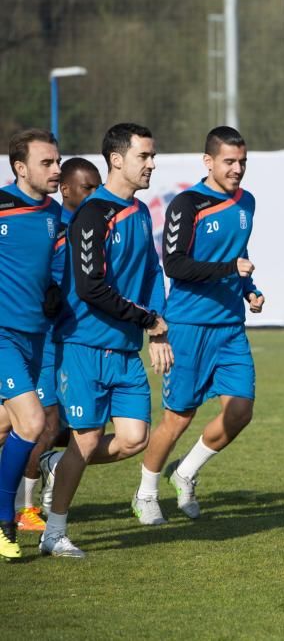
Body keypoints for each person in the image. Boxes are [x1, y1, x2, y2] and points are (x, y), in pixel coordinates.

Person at [38, 123, 173, 558]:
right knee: (87, 440)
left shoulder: (140, 211)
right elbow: (92, 287)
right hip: (82, 348)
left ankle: (57, 464)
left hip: (125, 349)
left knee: (135, 438)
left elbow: (152, 271)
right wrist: (146, 319)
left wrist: (158, 327)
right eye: (144, 156)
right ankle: (54, 533)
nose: (152, 164)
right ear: (117, 159)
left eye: (153, 156)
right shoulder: (92, 215)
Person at [132, 125, 262, 525]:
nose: (237, 169)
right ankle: (146, 493)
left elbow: (238, 253)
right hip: (188, 326)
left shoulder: (247, 203)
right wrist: (230, 268)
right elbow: (175, 264)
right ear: (208, 161)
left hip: (230, 328)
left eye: (242, 162)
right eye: (229, 162)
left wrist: (249, 289)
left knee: (240, 411)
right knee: (178, 418)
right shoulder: (187, 204)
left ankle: (185, 473)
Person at [11, 157, 101, 533]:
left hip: (78, 341)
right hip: (44, 339)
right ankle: (22, 507)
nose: (95, 194)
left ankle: (41, 473)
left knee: (63, 427)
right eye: (88, 188)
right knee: (42, 423)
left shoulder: (94, 229)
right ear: (66, 189)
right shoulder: (52, 227)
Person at [0, 129, 63, 559]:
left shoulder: (54, 212)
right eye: (47, 163)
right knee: (32, 422)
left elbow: (56, 265)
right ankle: (6, 519)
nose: (57, 169)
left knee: (7, 426)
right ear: (21, 168)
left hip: (35, 335)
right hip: (1, 334)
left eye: (58, 161)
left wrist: (55, 289)